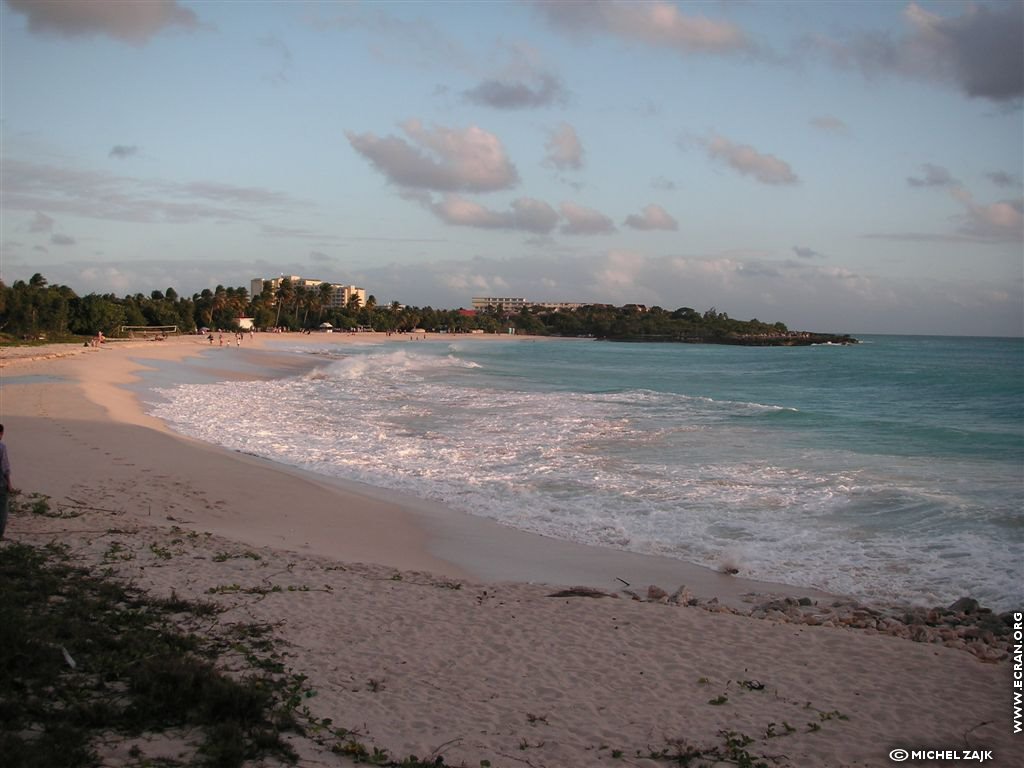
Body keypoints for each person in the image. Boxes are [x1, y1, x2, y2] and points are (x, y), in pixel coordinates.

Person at [0, 424, 11, 539]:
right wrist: (9, 483)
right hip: (1, 484)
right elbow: (5, 467)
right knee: (2, 510)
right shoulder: (2, 447)